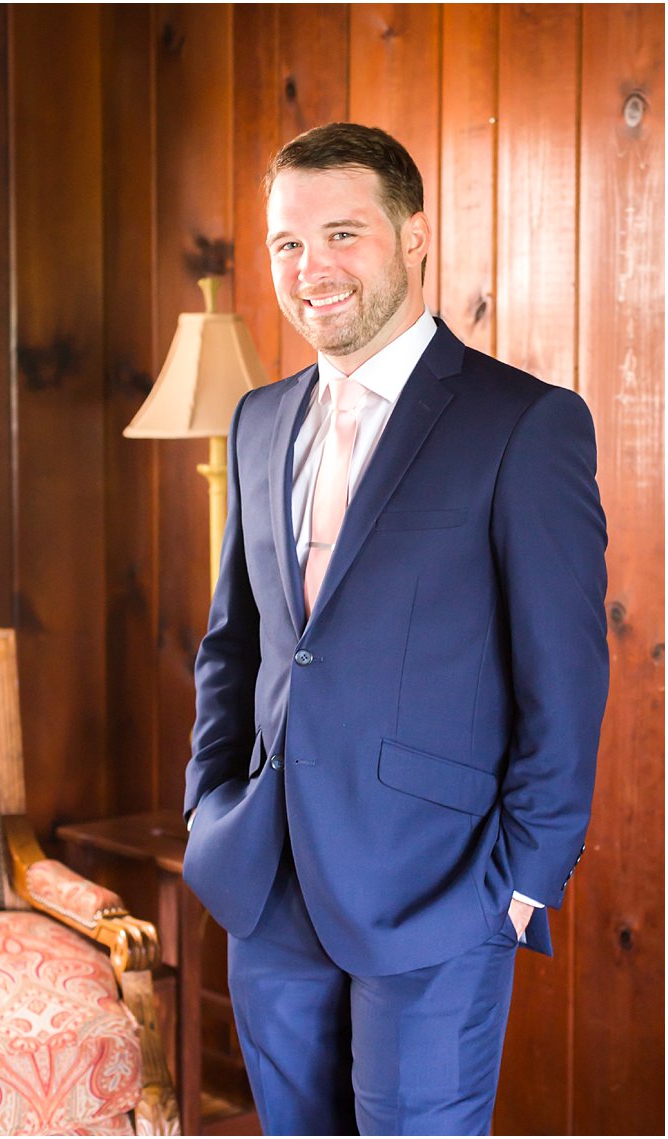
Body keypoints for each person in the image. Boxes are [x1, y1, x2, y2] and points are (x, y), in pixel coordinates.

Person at [181, 122, 609, 1135]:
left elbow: (565, 676)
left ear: (413, 236)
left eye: (341, 233)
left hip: (439, 890)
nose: (308, 267)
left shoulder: (522, 423)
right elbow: (231, 643)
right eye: (286, 243)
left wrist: (519, 882)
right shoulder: (255, 419)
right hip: (265, 880)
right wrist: (209, 805)